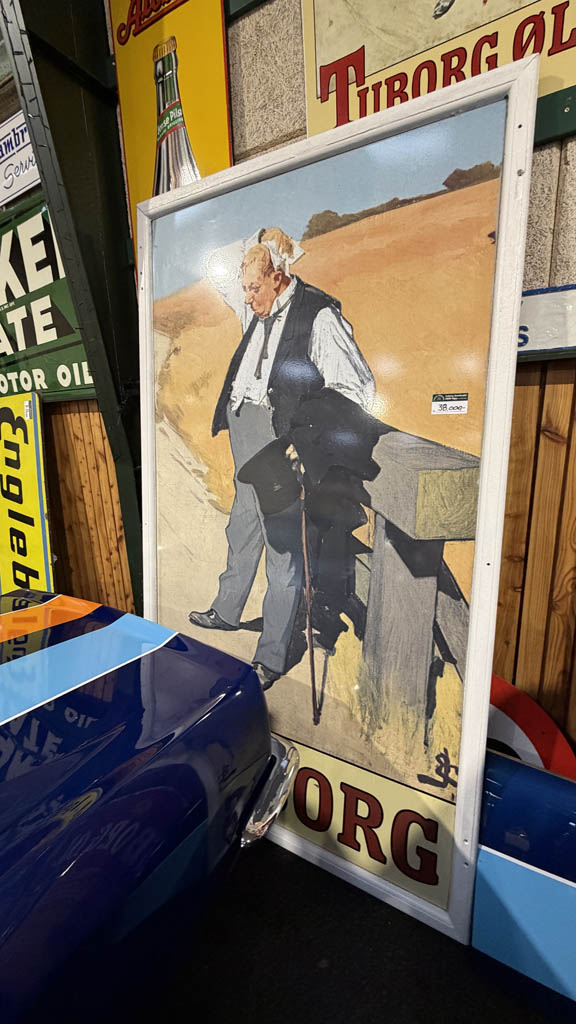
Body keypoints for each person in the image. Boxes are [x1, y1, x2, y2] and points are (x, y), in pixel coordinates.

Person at [188, 227, 375, 690]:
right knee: (242, 526)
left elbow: (357, 390)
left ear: (279, 276)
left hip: (280, 439)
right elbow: (216, 259)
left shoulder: (319, 316)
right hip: (244, 429)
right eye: (244, 286)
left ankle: (271, 656)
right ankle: (227, 611)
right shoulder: (257, 303)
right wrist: (260, 240)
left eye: (254, 286)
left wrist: (307, 440)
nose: (245, 296)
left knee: (284, 547)